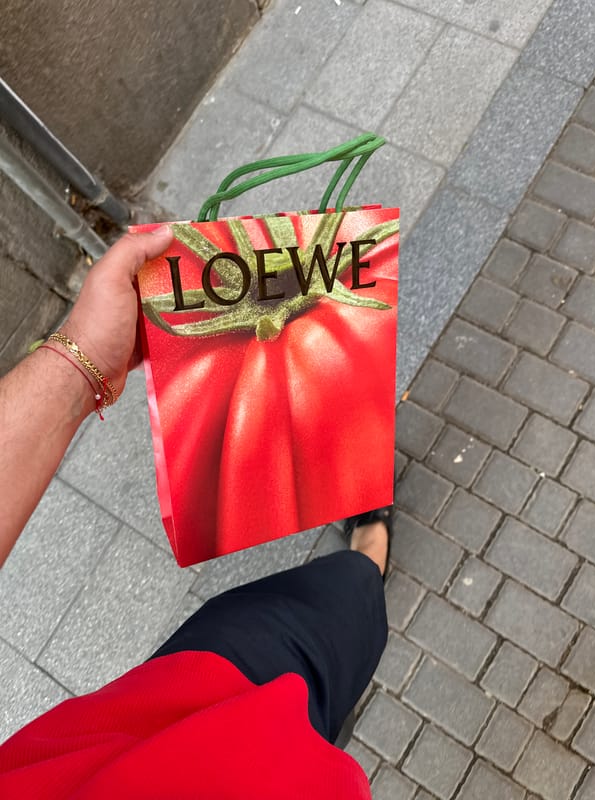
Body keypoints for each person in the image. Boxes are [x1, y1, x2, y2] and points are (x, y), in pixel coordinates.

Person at [0, 228, 392, 798]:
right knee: (350, 606)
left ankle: (363, 577)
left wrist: (80, 360)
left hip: (160, 711)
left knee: (341, 600)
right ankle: (368, 566)